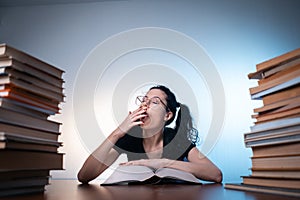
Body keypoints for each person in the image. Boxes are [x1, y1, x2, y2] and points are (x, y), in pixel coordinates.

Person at [78, 85, 222, 184]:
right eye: (144, 100)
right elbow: (84, 176)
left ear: (167, 115)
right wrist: (117, 133)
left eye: (154, 102)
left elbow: (215, 174)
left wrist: (163, 163)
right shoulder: (131, 137)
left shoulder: (176, 139)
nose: (144, 105)